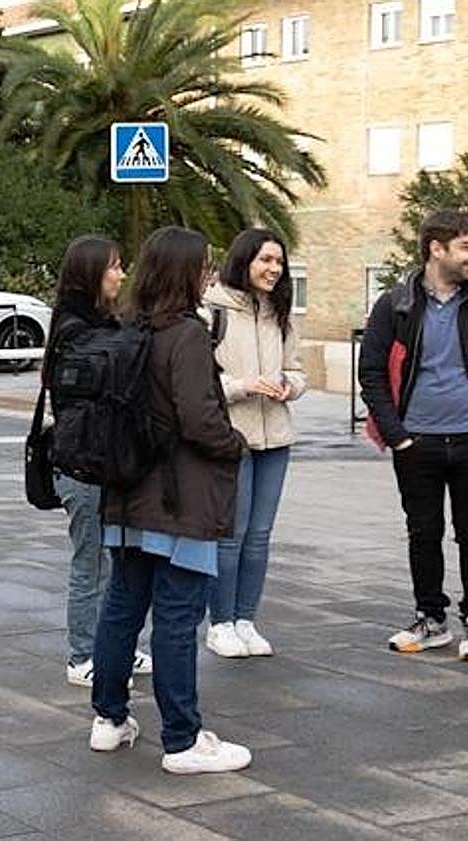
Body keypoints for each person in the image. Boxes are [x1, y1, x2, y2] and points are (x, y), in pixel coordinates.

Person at [89, 226, 251, 774]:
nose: (209, 275)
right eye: (204, 266)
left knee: (122, 607)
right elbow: (199, 418)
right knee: (179, 618)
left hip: (128, 495)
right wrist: (235, 445)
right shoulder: (185, 335)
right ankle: (182, 739)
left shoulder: (126, 327)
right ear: (185, 272)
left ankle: (109, 720)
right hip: (180, 501)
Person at [359, 209, 468, 660]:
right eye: (466, 246)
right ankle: (431, 619)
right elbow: (371, 373)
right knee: (422, 532)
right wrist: (397, 436)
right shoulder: (395, 305)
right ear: (437, 248)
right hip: (417, 443)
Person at [43, 235, 152, 687]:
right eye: (114, 267)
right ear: (90, 272)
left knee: (116, 559)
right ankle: (83, 655)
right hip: (80, 463)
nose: (121, 275)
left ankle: (117, 646)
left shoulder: (100, 323)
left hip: (104, 460)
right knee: (91, 562)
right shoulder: (75, 329)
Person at [203, 228, 306, 658]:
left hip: (276, 436)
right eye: (266, 260)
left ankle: (247, 618)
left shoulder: (279, 314)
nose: (273, 269)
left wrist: (288, 384)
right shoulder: (212, 311)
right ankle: (220, 622)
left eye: (279, 262)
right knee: (231, 534)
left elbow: (298, 370)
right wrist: (242, 385)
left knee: (260, 536)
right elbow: (199, 379)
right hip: (232, 438)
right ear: (244, 259)